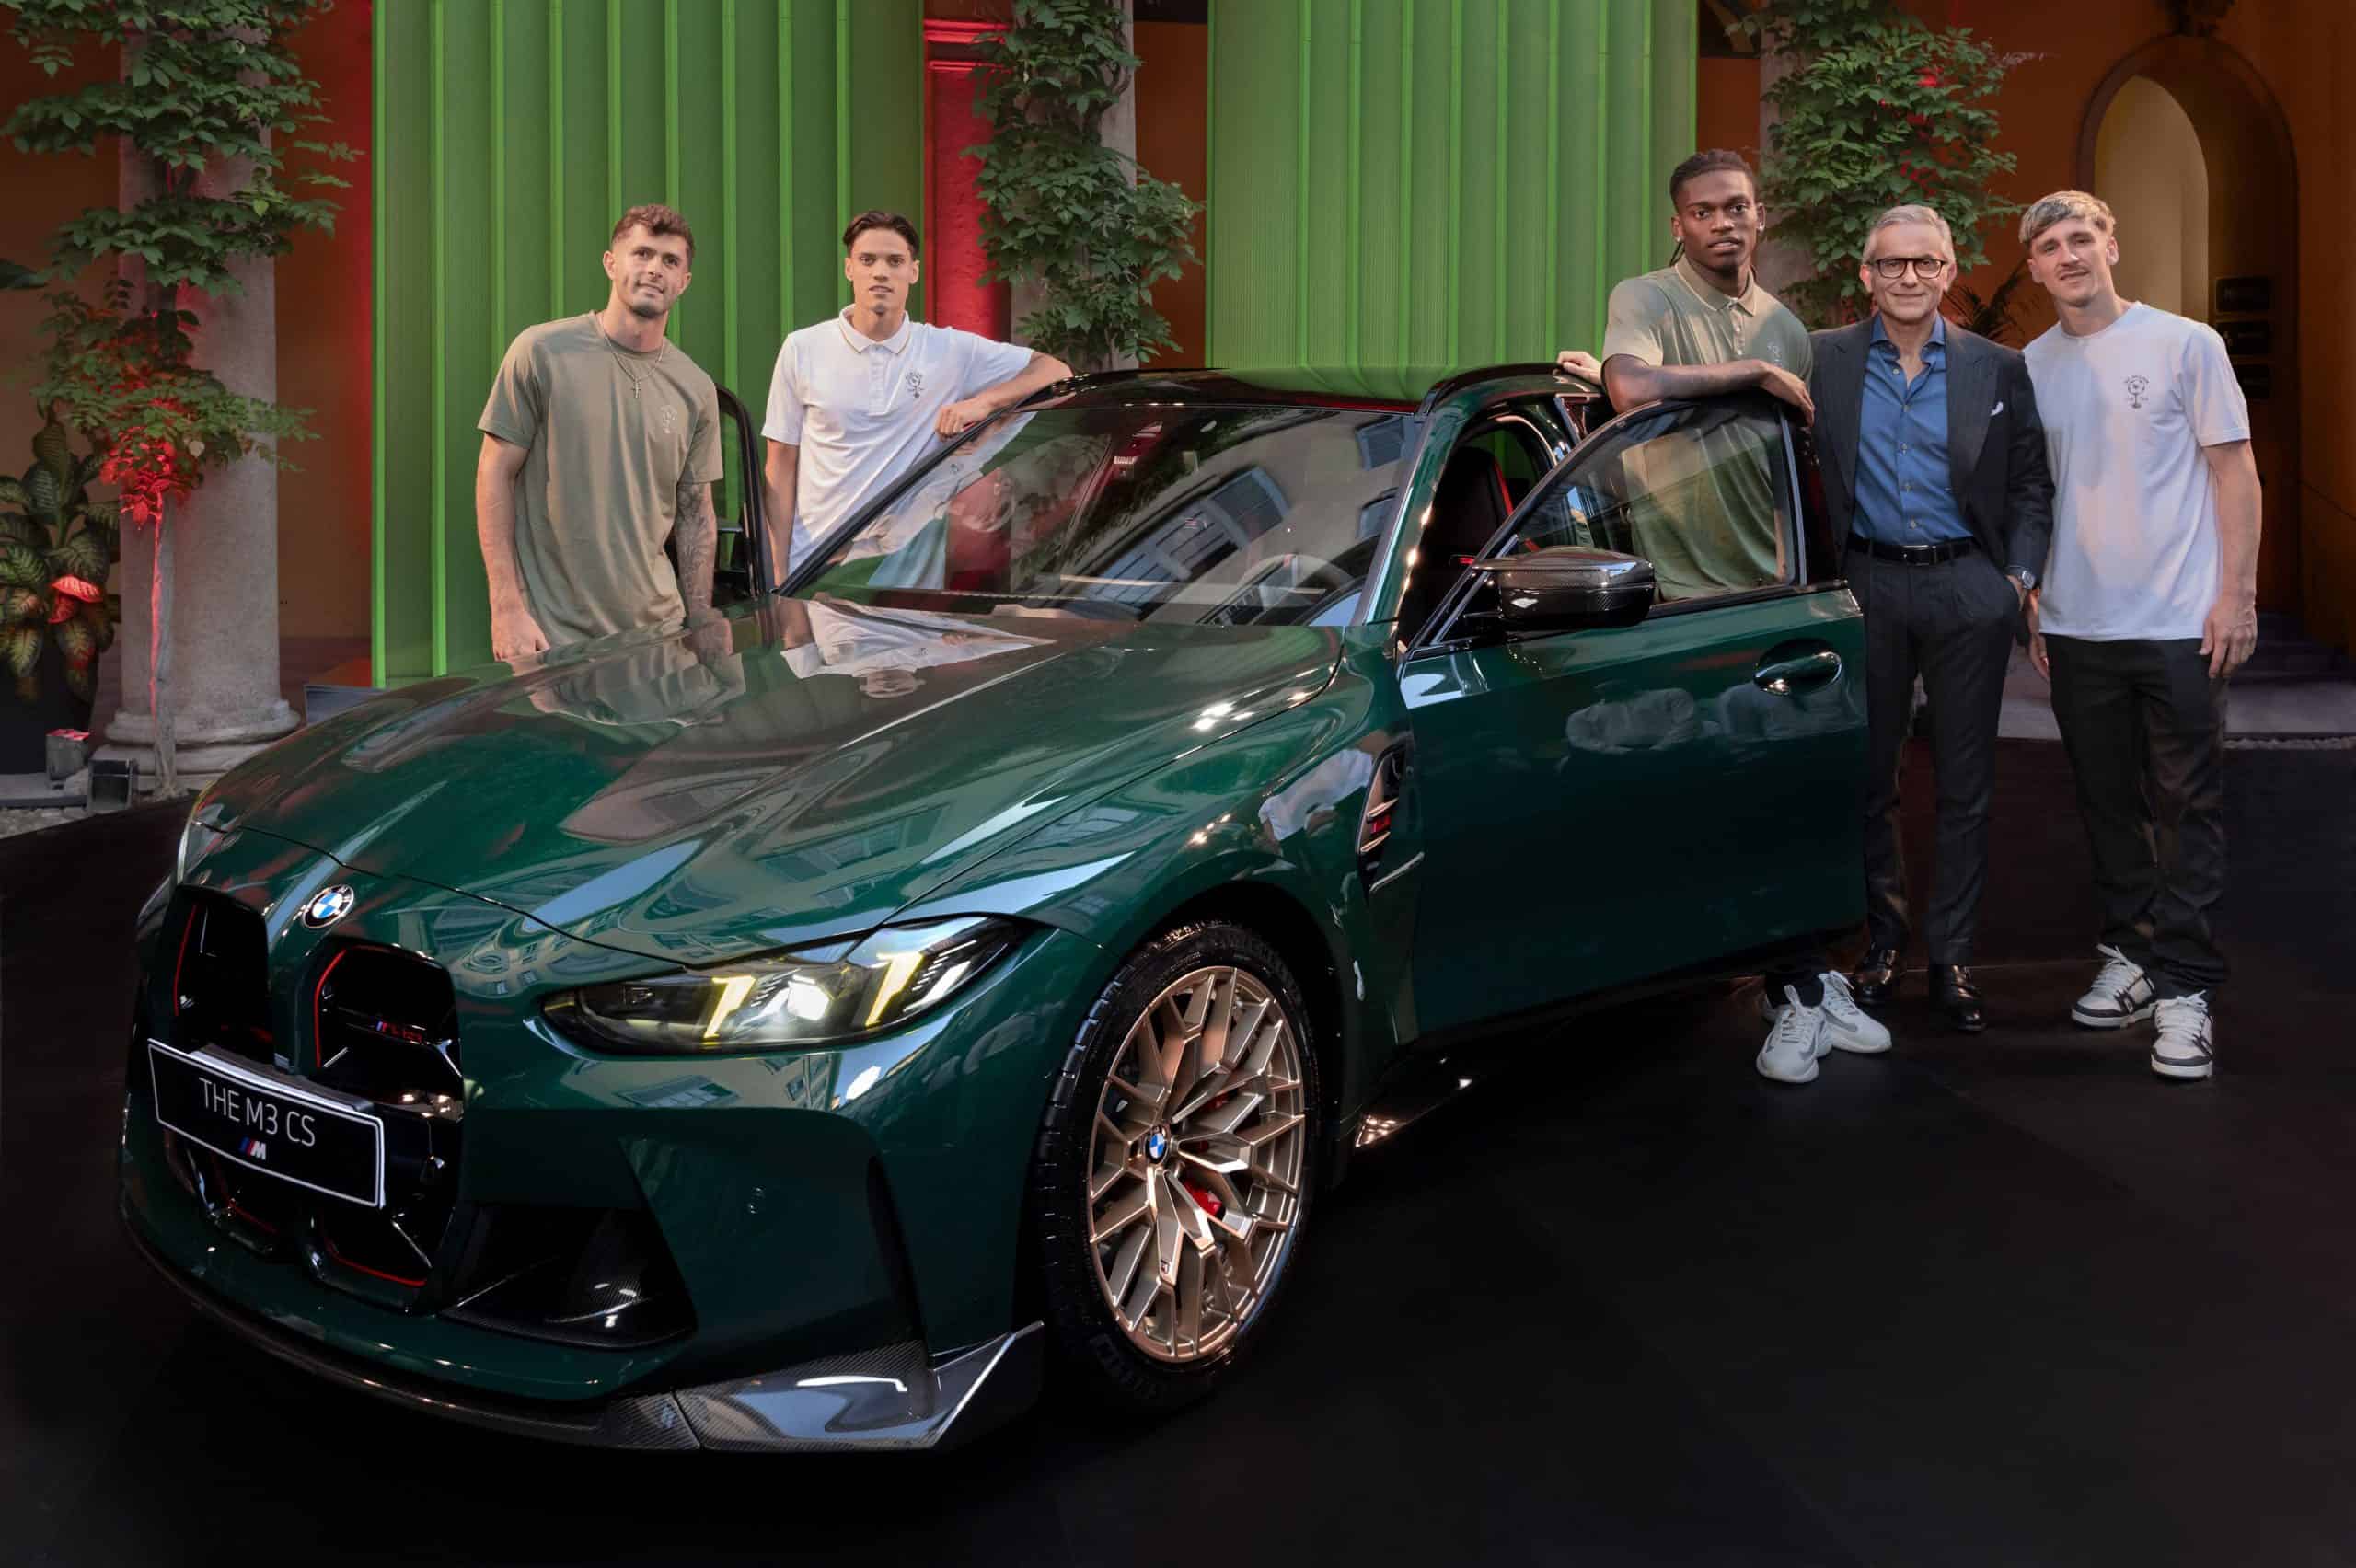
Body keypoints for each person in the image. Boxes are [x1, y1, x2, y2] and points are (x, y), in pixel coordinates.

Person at [1557, 147, 1887, 1083]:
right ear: (1679, 225)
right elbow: (1631, 388)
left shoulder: (1784, 325)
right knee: (1688, 805)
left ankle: (1801, 984)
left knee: (1781, 799)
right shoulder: (1648, 298)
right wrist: (1750, 373)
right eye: (1704, 211)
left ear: (1759, 215)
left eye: (1737, 206)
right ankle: (1746, 985)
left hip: (1766, 596)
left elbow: (1793, 456)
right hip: (1670, 600)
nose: (1723, 223)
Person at [2016, 190, 2259, 1081]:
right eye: (2050, 246)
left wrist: (2236, 595)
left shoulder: (2186, 344)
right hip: (2076, 625)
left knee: (2187, 804)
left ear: (2111, 246)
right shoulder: (2029, 366)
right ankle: (2131, 954)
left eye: (2081, 237)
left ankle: (2186, 987)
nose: (2069, 255)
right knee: (2107, 801)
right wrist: (2034, 598)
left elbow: (2234, 471)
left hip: (2180, 623)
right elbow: (2034, 493)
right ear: (2034, 269)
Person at [1807, 204, 2053, 1032]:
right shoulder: (1824, 358)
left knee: (1965, 783)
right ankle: (1883, 944)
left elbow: (2031, 483)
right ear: (1866, 276)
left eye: (1925, 263)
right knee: (1869, 779)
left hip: (1967, 587)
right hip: (1866, 586)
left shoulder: (1999, 367)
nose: (1908, 277)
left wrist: (2014, 582)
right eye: (1891, 263)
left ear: (1948, 272)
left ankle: (1951, 955)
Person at [761, 210, 1073, 579]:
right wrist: (778, 573)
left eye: (894, 261)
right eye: (868, 260)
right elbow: (780, 467)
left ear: (913, 271)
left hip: (897, 570)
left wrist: (983, 404)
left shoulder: (949, 351)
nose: (880, 272)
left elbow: (1056, 372)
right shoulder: (803, 348)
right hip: (813, 564)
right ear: (849, 269)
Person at [477, 203, 722, 662]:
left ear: (684, 282)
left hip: (658, 638)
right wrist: (506, 607)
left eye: (670, 261)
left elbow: (696, 513)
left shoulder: (695, 387)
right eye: (642, 253)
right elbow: (495, 474)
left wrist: (701, 617)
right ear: (611, 263)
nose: (655, 269)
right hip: (552, 635)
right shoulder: (541, 352)